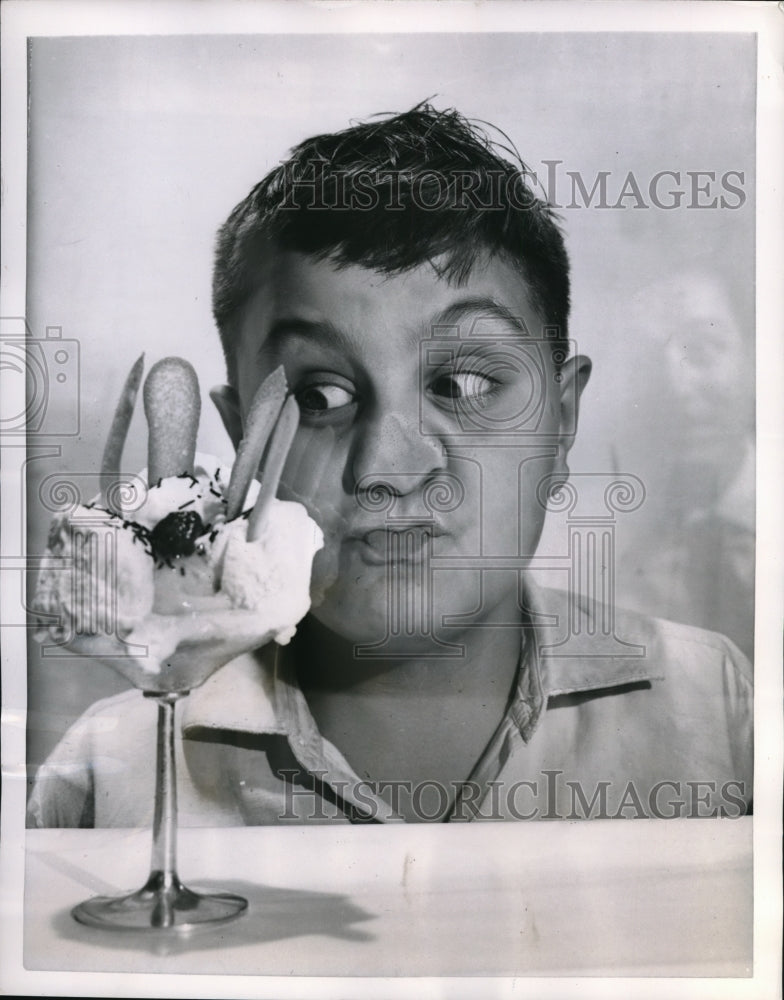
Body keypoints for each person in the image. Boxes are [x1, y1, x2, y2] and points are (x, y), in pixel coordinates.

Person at [28, 104, 752, 826]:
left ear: (561, 422)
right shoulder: (107, 776)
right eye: (319, 395)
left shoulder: (715, 708)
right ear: (240, 437)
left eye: (464, 385)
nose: (389, 467)